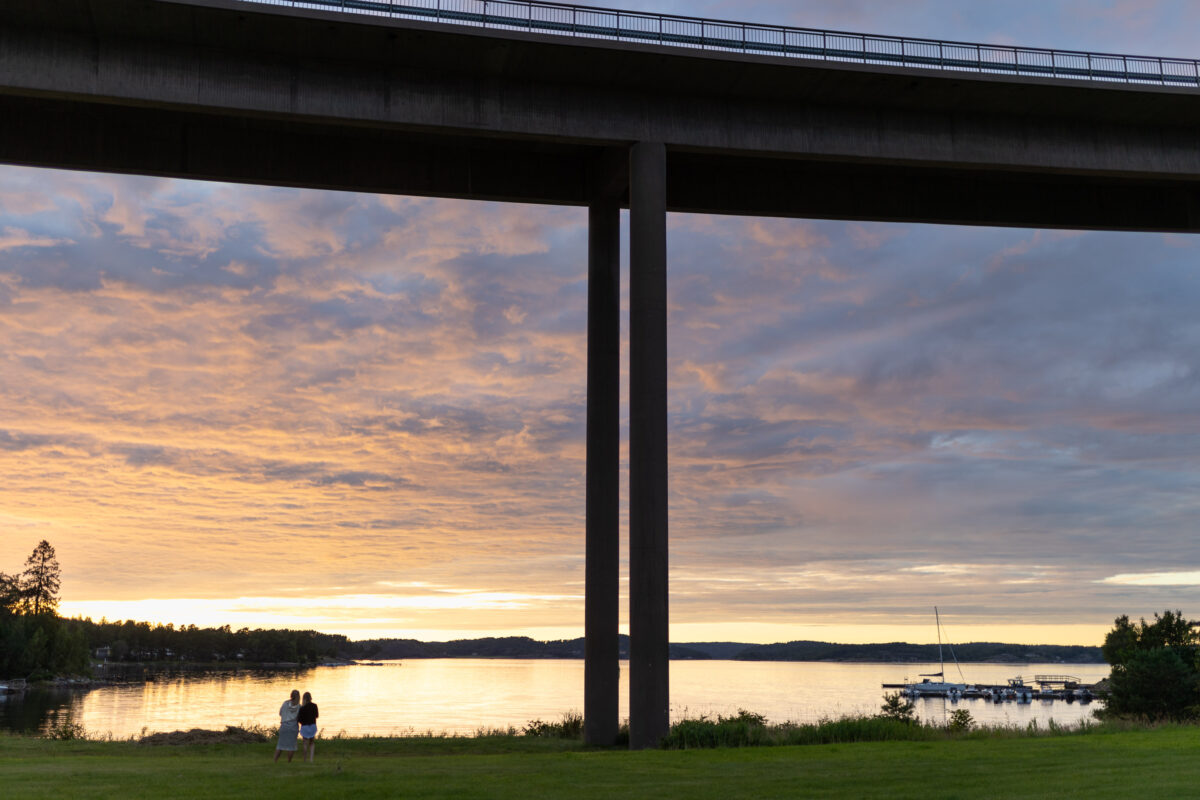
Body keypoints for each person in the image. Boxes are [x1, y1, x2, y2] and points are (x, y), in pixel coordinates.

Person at [273, 689, 301, 763]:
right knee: (291, 746)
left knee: (280, 745)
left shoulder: (285, 703)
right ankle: (289, 761)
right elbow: (299, 718)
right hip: (293, 727)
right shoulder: (299, 707)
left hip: (284, 726)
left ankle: (275, 760)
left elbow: (280, 713)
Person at [298, 691, 320, 762]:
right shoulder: (314, 706)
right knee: (312, 742)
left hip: (304, 727)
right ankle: (311, 759)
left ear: (304, 699)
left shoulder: (302, 708)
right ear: (310, 698)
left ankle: (304, 759)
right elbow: (317, 716)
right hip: (312, 726)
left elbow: (299, 719)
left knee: (305, 743)